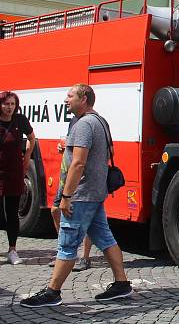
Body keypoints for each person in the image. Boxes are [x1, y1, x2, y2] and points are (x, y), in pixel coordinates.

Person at [21, 84, 131, 308]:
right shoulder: (100, 121)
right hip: (95, 192)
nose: (66, 99)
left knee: (67, 244)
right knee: (105, 238)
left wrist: (66, 196)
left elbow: (78, 163)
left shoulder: (84, 124)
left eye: (70, 96)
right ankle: (122, 284)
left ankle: (52, 292)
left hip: (81, 195)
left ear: (84, 99)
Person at [0, 91, 36, 265]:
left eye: (12, 104)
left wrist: (27, 156)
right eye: (6, 104)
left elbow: (31, 137)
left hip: (14, 172)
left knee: (12, 212)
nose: (9, 107)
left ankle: (12, 250)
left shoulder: (20, 120)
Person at [50, 132, 92, 272]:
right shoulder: (74, 122)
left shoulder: (86, 123)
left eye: (69, 106)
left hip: (80, 181)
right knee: (55, 210)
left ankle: (84, 257)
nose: (67, 107)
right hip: (65, 178)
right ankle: (64, 253)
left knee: (90, 221)